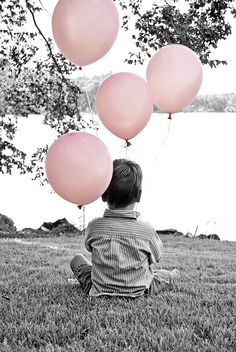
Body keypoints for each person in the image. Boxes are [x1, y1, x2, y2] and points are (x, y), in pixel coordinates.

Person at [70, 158, 179, 297]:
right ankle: (173, 275)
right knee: (163, 275)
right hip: (140, 290)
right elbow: (156, 257)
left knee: (77, 259)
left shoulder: (94, 226)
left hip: (100, 288)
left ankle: (85, 281)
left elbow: (89, 248)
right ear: (139, 195)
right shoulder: (147, 231)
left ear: (103, 195)